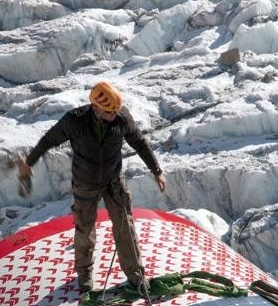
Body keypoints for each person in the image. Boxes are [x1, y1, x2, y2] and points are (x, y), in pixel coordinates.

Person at [18, 81, 167, 293]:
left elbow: (139, 142)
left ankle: (136, 275)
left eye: (116, 110)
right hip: (85, 182)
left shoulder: (121, 117)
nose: (114, 115)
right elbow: (49, 139)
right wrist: (29, 162)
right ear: (96, 108)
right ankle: (85, 275)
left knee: (125, 227)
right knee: (85, 230)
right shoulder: (75, 121)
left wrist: (157, 170)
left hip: (113, 180)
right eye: (110, 111)